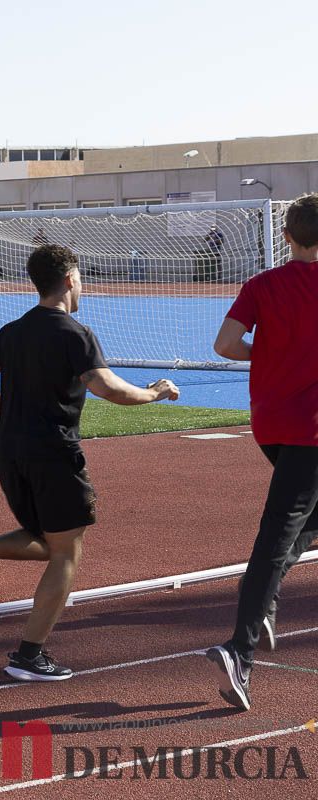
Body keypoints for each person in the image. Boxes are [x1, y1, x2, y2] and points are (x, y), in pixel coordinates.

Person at [0, 244, 178, 681]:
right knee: (66, 552)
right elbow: (108, 388)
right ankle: (29, 655)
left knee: (47, 540)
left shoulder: (14, 330)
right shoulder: (74, 333)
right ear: (70, 280)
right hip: (54, 454)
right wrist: (156, 392)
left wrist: (11, 412)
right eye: (81, 277)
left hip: (11, 454)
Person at [206, 195, 318, 711]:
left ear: (288, 236)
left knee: (297, 525)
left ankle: (264, 604)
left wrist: (269, 352)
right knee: (277, 535)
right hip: (309, 432)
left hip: (269, 424)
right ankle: (240, 649)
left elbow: (226, 344)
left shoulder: (262, 284)